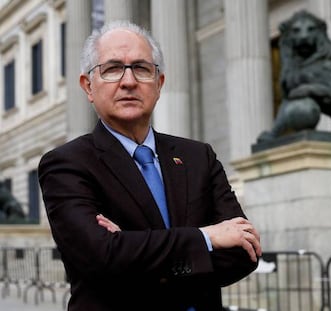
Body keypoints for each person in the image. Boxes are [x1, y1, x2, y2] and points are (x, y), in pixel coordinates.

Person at [38, 20, 261, 311]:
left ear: (159, 84)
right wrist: (206, 238)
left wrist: (131, 249)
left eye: (142, 69)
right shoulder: (66, 164)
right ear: (88, 86)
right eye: (113, 68)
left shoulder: (198, 156)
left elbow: (243, 253)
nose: (129, 81)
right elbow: (100, 257)